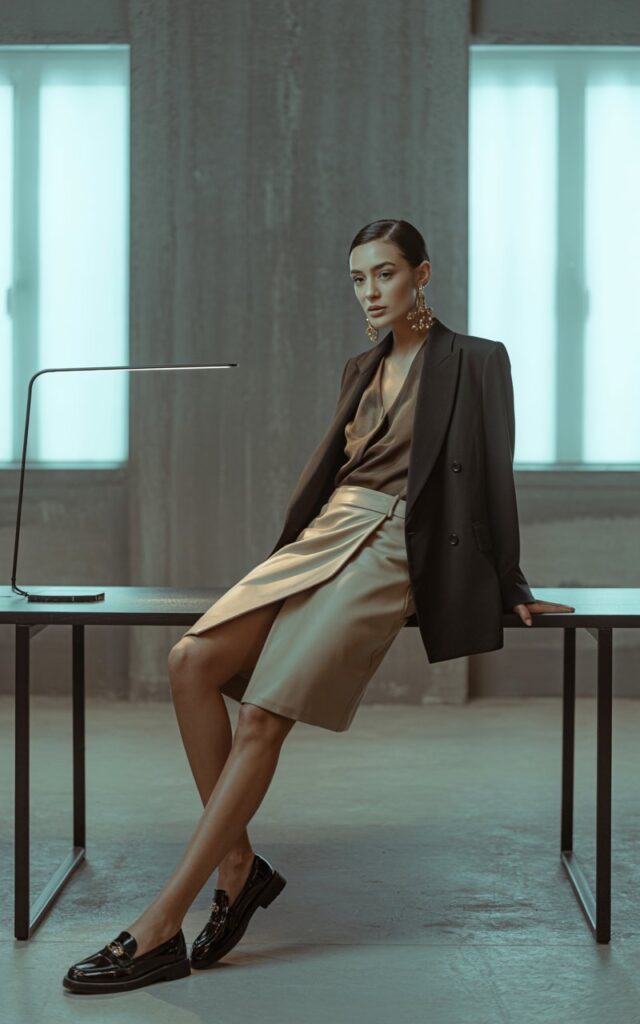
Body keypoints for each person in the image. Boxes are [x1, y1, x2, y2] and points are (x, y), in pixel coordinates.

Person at [63, 219, 574, 994]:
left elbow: (492, 472)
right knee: (192, 660)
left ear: (422, 275)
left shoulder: (476, 361)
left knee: (265, 715)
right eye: (359, 279)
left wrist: (511, 582)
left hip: (398, 544)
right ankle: (240, 865)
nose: (370, 293)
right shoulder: (359, 367)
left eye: (386, 275)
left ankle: (161, 923)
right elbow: (340, 473)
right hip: (326, 532)